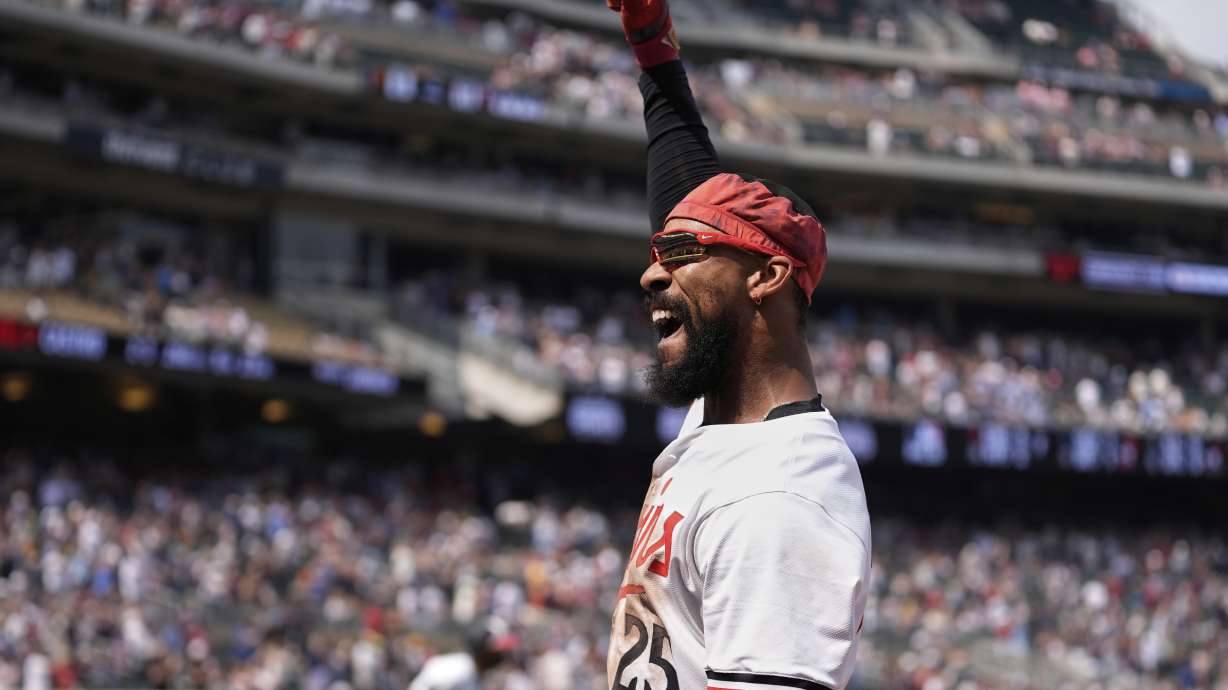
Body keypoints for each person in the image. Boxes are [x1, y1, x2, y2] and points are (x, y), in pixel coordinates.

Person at [603, 2, 872, 690]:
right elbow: (682, 190)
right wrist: (654, 50)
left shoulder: (782, 490)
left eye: (682, 252)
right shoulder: (729, 421)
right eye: (658, 250)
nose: (652, 271)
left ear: (768, 276)